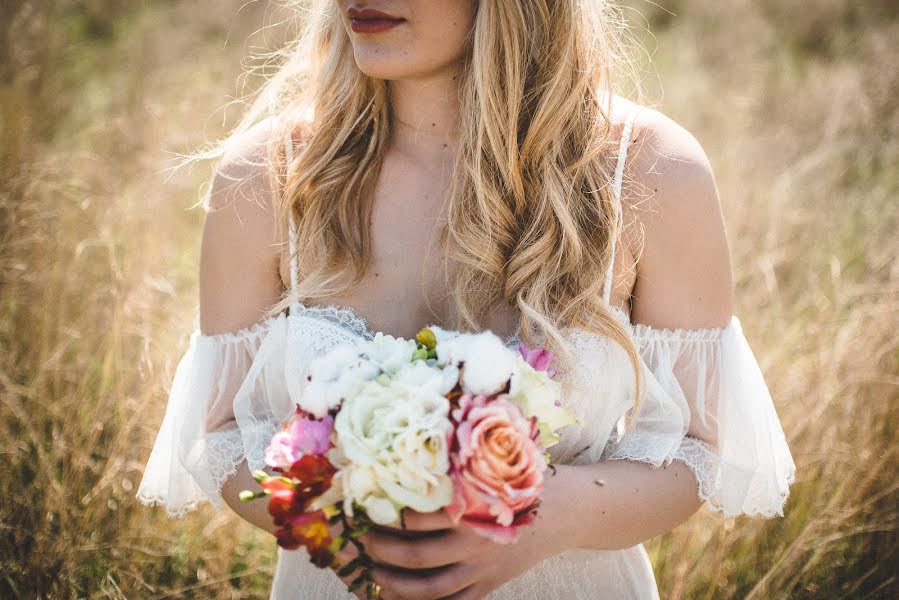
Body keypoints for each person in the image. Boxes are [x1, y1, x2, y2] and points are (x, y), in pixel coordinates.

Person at [137, 1, 796, 598]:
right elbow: (219, 437)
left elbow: (701, 451)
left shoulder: (650, 172)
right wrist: (333, 521)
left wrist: (547, 513)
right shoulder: (268, 176)